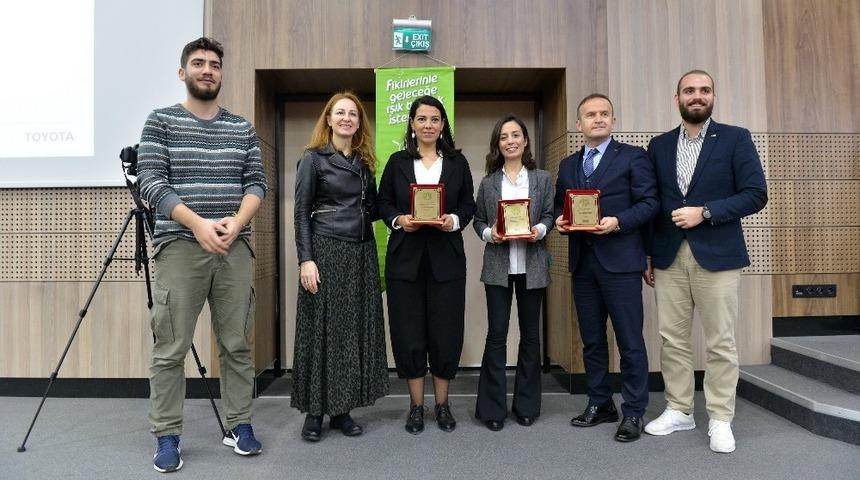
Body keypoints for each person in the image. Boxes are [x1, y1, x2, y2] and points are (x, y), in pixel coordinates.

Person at [137, 37, 267, 473]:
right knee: (170, 347)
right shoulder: (161, 122)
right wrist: (197, 224)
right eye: (198, 63)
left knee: (236, 345)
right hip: (179, 247)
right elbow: (151, 182)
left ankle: (239, 425)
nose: (207, 69)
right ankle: (167, 435)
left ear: (221, 73)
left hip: (234, 248)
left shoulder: (242, 128)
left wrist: (235, 220)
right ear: (183, 73)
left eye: (214, 64)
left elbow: (257, 185)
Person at [643, 70, 767, 453]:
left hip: (718, 255)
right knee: (672, 340)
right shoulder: (659, 146)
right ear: (677, 97)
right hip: (668, 256)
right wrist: (648, 252)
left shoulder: (735, 138)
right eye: (689, 91)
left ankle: (720, 417)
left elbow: (755, 194)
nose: (697, 96)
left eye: (704, 90)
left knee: (720, 342)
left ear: (713, 96)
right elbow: (654, 205)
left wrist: (707, 212)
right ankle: (680, 409)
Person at [554, 93, 658, 442]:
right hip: (583, 264)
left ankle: (633, 411)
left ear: (613, 120)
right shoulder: (568, 166)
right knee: (592, 341)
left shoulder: (633, 157)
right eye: (590, 114)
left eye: (604, 114)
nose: (597, 119)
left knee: (629, 341)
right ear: (578, 124)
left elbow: (649, 204)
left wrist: (619, 222)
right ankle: (600, 402)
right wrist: (559, 222)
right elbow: (560, 206)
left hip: (622, 262)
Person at [291, 92, 390, 442]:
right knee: (321, 333)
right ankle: (314, 412)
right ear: (329, 120)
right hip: (326, 252)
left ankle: (342, 410)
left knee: (348, 334)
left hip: (361, 254)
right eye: (340, 113)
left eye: (353, 114)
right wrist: (306, 259)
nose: (347, 118)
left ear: (359, 122)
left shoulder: (365, 162)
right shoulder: (313, 159)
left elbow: (375, 208)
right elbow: (301, 213)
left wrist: (408, 204)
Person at [378, 95, 476, 434]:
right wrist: (399, 220)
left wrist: (453, 220)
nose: (428, 125)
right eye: (422, 119)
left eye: (435, 119)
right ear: (412, 124)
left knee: (446, 333)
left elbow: (468, 204)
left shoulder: (457, 163)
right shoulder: (396, 162)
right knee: (409, 333)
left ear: (443, 124)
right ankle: (416, 407)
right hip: (405, 261)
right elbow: (382, 203)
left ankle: (443, 405)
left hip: (446, 260)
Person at [473, 114, 554, 431]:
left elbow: (549, 213)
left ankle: (526, 405)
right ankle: (492, 409)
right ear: (497, 144)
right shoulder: (489, 183)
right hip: (498, 268)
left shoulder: (542, 179)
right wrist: (490, 234)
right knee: (496, 336)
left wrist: (541, 229)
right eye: (504, 136)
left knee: (531, 337)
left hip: (532, 266)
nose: (510, 141)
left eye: (515, 135)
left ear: (525, 141)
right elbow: (478, 220)